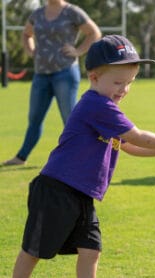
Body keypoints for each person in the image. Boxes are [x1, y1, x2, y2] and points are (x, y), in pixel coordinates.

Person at [2, 35, 155, 278]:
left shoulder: (107, 107)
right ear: (94, 77)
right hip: (57, 188)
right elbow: (138, 136)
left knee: (91, 250)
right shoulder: (97, 105)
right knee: (35, 249)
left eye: (130, 82)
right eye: (118, 82)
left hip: (82, 194)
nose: (125, 89)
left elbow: (130, 146)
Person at [2, 0, 101, 166]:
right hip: (41, 75)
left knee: (70, 118)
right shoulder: (37, 14)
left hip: (65, 72)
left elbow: (94, 33)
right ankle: (21, 157)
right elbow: (26, 34)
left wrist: (78, 51)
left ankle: (79, 157)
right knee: (34, 118)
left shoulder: (72, 12)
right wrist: (31, 50)